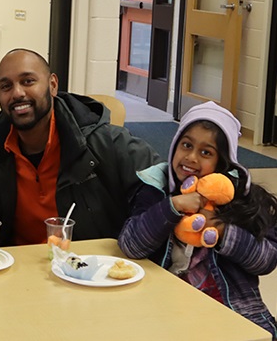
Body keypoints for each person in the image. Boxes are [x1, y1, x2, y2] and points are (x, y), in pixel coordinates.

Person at [0, 48, 160, 247]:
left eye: (28, 81)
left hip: (88, 265)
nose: (17, 93)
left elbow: (158, 180)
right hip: (12, 266)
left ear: (52, 85)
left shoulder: (101, 142)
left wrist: (135, 239)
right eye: (6, 87)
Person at [118, 101, 277, 336]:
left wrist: (222, 230)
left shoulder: (243, 199)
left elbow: (266, 261)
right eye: (186, 145)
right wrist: (172, 207)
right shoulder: (156, 188)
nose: (191, 157)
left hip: (231, 313)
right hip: (164, 310)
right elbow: (131, 246)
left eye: (206, 152)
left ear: (223, 163)